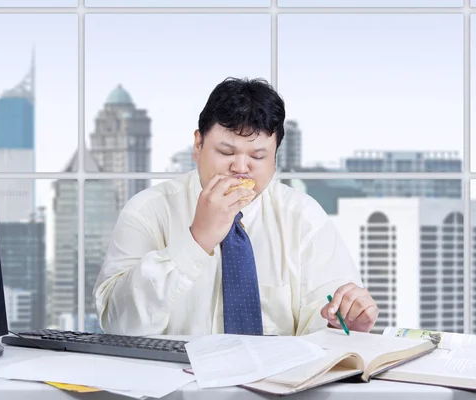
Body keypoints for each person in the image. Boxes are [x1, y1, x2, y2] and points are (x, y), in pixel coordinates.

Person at [93, 77, 378, 337]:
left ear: (275, 158)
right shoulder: (147, 211)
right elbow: (118, 323)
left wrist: (344, 323)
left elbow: (327, 320)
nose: (240, 168)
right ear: (198, 145)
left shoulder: (304, 217)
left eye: (258, 156)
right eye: (226, 152)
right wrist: (196, 240)